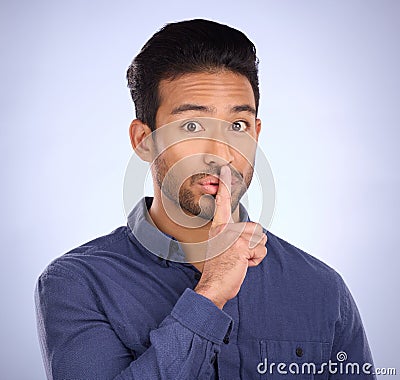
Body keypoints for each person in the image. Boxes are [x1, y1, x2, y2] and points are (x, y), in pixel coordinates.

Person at [35, 19, 376, 379]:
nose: (221, 152)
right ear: (143, 140)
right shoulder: (77, 283)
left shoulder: (322, 288)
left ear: (256, 134)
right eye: (192, 126)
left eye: (237, 126)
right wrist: (209, 294)